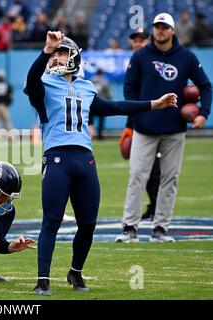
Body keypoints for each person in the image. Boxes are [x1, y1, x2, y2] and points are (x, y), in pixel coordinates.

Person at [24, 30, 178, 295]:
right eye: (55, 55)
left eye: (62, 53)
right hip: (57, 158)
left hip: (85, 160)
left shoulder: (86, 87)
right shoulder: (44, 84)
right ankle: (43, 280)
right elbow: (31, 78)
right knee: (51, 221)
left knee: (88, 224)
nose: (57, 59)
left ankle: (75, 272)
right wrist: (47, 49)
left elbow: (116, 107)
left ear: (73, 58)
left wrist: (155, 104)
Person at [115, 13, 212, 243]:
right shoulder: (140, 56)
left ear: (172, 30)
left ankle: (161, 228)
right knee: (137, 176)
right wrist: (137, 113)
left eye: (165, 27)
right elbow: (129, 89)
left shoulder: (186, 57)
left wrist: (203, 114)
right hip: (145, 128)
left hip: (175, 128)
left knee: (170, 178)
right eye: (157, 27)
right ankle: (130, 227)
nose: (160, 31)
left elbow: (205, 86)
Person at [120, 28, 160, 221]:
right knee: (141, 169)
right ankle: (153, 205)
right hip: (140, 122)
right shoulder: (135, 63)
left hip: (158, 121)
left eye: (141, 40)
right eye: (135, 41)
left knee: (155, 169)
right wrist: (129, 126)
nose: (137, 44)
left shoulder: (155, 62)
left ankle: (157, 206)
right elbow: (132, 99)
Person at [89, 68, 112, 139]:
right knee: (101, 120)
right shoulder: (105, 80)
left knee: (90, 119)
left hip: (92, 102)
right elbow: (108, 93)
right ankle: (100, 135)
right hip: (102, 102)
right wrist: (109, 98)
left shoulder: (91, 80)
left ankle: (90, 134)